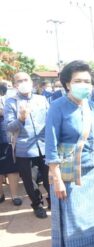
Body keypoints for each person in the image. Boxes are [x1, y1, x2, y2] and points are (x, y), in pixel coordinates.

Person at [45, 60, 94, 247]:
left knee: (92, 222)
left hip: (93, 173)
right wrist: (57, 179)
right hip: (69, 176)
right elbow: (51, 145)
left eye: (87, 81)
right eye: (78, 80)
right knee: (74, 223)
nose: (84, 85)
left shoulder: (92, 105)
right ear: (67, 84)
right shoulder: (57, 107)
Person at [4, 72, 50, 218]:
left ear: (32, 82)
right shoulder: (11, 102)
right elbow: (9, 127)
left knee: (50, 178)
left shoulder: (42, 99)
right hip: (25, 149)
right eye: (19, 81)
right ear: (14, 85)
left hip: (45, 146)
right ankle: (37, 205)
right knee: (30, 181)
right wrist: (21, 119)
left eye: (26, 80)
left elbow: (50, 121)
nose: (23, 83)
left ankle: (52, 201)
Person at [0, 82, 21, 206]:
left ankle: (15, 196)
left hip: (6, 138)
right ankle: (1, 195)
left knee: (12, 168)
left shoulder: (9, 99)